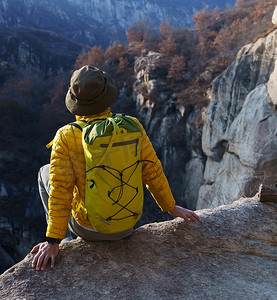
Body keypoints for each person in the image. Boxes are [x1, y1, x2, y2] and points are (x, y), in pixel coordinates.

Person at [31, 65, 201, 271]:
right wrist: (171, 207)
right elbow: (152, 171)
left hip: (88, 229)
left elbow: (60, 191)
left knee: (45, 172)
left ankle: (66, 239)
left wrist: (53, 241)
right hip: (126, 226)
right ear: (107, 97)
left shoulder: (66, 136)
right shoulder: (132, 126)